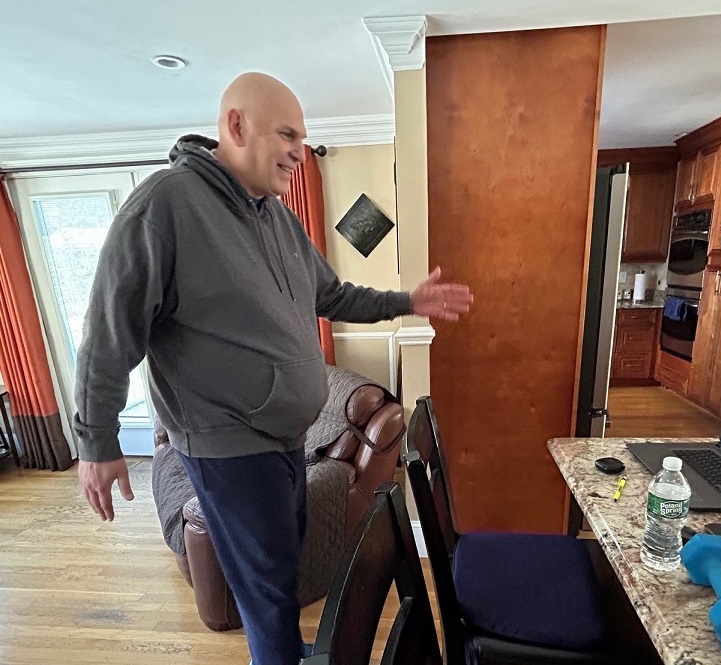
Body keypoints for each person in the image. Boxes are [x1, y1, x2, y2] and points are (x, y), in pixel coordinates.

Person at [75, 72, 473, 665]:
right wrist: (96, 441)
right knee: (265, 594)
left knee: (279, 580)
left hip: (286, 440)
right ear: (235, 126)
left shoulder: (276, 217)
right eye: (287, 133)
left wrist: (405, 302)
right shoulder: (166, 205)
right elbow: (110, 331)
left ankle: (286, 653)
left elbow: (332, 295)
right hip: (228, 448)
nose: (298, 149)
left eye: (303, 136)